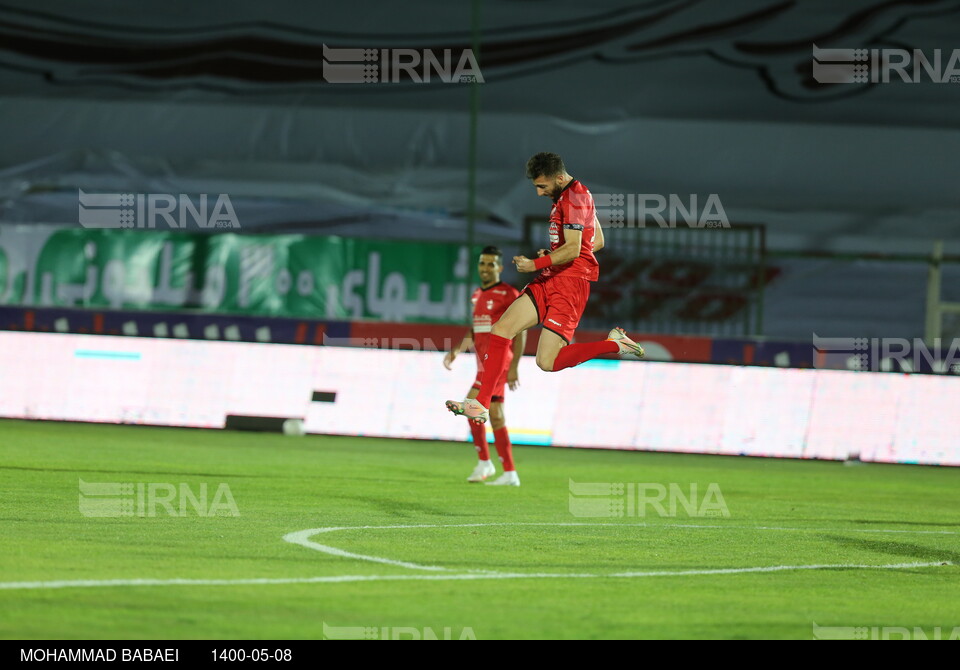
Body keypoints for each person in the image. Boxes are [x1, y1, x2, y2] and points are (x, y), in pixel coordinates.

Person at [446, 152, 645, 426]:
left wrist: (536, 263)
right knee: (501, 330)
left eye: (542, 186)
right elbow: (596, 240)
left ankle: (615, 343)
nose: (539, 193)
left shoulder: (575, 197)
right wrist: (554, 255)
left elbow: (577, 249)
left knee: (547, 362)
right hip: (552, 277)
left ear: (560, 177)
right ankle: (481, 404)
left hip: (571, 284)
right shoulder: (568, 196)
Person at [444, 246, 526, 486]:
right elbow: (475, 330)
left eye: (491, 264)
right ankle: (509, 473)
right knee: (496, 417)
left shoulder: (509, 294)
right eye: (482, 263)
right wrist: (457, 349)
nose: (485, 268)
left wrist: (514, 366)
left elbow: (520, 330)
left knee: (471, 406)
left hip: (499, 362)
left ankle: (485, 462)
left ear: (500, 268)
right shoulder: (477, 295)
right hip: (484, 364)